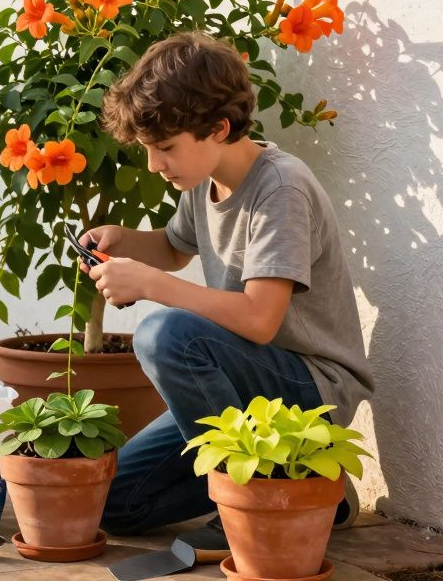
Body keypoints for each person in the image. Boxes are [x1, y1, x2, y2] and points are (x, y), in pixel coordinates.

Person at [80, 32, 374, 536]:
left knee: (164, 334)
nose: (154, 165)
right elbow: (174, 249)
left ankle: (253, 505)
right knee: (111, 505)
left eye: (165, 148)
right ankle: (313, 487)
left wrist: (149, 284)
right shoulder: (203, 182)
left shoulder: (280, 187)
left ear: (218, 128)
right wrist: (124, 241)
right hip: (241, 388)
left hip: (310, 388)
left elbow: (260, 321)